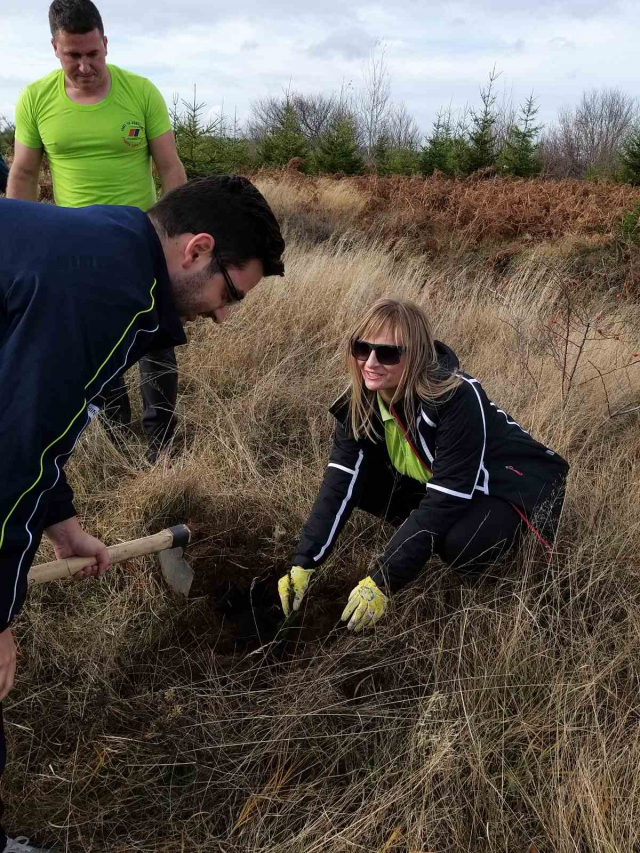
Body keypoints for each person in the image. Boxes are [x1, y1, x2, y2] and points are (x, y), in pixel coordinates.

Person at [0, 175, 285, 852]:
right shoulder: (109, 295)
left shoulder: (107, 249)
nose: (222, 316)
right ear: (197, 250)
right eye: (231, 293)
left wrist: (61, 522)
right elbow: (9, 453)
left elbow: (36, 424)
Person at [279, 298, 569, 632]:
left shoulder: (457, 397)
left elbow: (448, 496)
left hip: (510, 487)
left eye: (388, 353)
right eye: (362, 348)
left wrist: (383, 580)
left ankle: (496, 550)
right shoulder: (360, 401)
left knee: (462, 542)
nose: (371, 363)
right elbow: (339, 482)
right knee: (359, 483)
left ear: (416, 356)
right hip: (446, 483)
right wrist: (303, 562)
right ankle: (421, 538)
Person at [7, 0, 188, 462]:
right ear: (55, 49)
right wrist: (13, 243)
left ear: (105, 43)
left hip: (145, 238)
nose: (85, 65)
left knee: (155, 340)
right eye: (73, 56)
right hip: (75, 249)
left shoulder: (141, 93)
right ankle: (116, 438)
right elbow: (25, 174)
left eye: (93, 53)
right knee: (96, 344)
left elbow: (170, 167)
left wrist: (181, 232)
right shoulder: (35, 99)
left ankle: (161, 441)